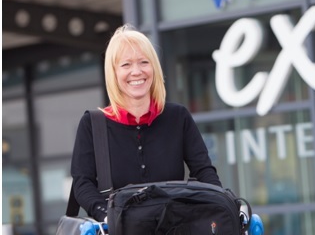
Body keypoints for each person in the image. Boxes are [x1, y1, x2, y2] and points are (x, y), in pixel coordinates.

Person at [71, 24, 222, 222]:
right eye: (126, 65)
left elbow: (204, 171)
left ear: (154, 68)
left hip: (174, 233)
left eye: (144, 62)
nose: (136, 71)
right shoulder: (92, 125)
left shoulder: (178, 117)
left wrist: (222, 204)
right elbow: (82, 183)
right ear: (113, 73)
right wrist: (106, 216)